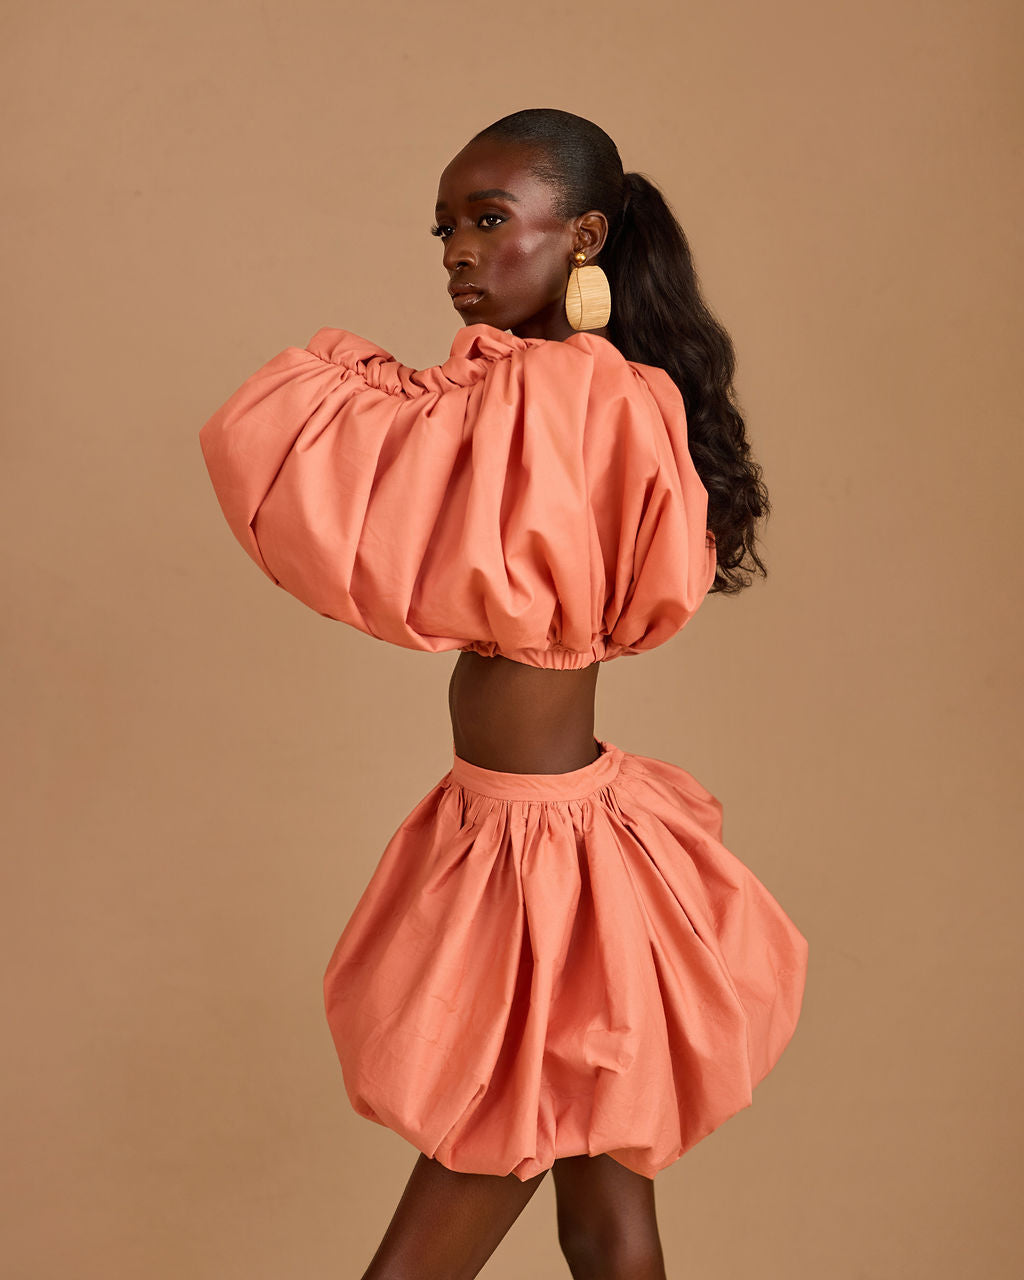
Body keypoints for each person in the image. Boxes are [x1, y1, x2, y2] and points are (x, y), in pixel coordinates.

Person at [199, 108, 809, 1280]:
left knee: (439, 1248)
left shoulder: (567, 395)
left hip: (544, 874)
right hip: (532, 837)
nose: (459, 253)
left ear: (583, 236)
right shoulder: (548, 395)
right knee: (606, 1228)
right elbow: (412, 511)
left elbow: (383, 477)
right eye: (445, 229)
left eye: (490, 220)